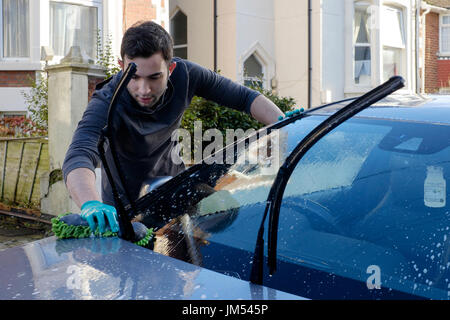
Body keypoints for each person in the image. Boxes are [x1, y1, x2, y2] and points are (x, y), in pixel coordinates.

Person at [62, 21, 285, 235]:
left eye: (154, 77)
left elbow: (244, 97)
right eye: (135, 77)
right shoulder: (107, 101)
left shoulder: (186, 75)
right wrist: (90, 203)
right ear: (122, 67)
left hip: (174, 192)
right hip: (128, 214)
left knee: (225, 211)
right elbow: (79, 153)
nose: (144, 89)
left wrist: (283, 120)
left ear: (171, 67)